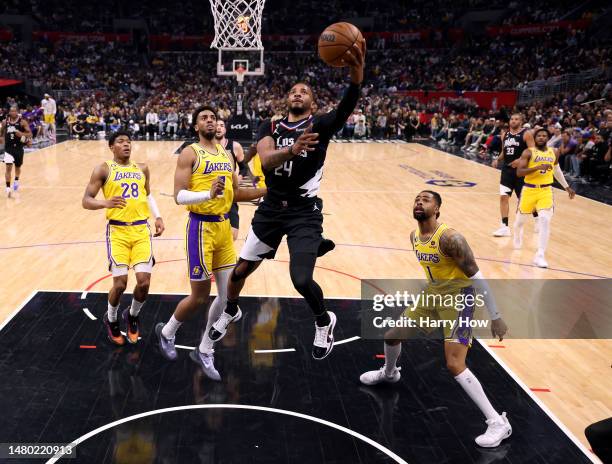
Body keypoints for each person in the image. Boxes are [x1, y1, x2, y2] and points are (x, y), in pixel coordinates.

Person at [208, 38, 366, 361]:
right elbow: (265, 161)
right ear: (287, 98)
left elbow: (348, 103)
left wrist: (356, 70)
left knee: (301, 279)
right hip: (270, 210)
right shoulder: (270, 124)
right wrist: (293, 149)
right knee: (238, 274)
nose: (297, 94)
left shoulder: (321, 125)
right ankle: (231, 311)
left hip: (303, 213)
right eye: (294, 91)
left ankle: (324, 321)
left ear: (312, 101)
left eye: (304, 91)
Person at [360, 190, 512, 448]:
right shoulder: (414, 236)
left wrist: (495, 316)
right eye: (416, 198)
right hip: (433, 295)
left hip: (459, 299)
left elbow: (478, 278)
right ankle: (390, 373)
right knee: (392, 335)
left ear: (438, 210)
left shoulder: (451, 239)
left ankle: (498, 422)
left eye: (426, 200)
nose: (419, 202)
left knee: (454, 364)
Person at [155, 106, 266, 380]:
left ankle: (204, 349)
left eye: (213, 118)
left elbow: (236, 193)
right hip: (200, 228)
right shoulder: (190, 153)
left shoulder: (227, 156)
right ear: (196, 126)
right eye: (204, 118)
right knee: (199, 296)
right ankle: (167, 332)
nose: (210, 121)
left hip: (223, 226)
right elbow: (178, 196)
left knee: (228, 296)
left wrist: (267, 192)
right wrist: (207, 193)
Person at [82, 130, 165, 345]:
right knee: (119, 285)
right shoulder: (103, 169)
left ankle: (133, 315)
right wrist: (104, 203)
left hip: (141, 230)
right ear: (111, 147)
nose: (126, 145)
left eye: (129, 142)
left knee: (144, 283)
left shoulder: (142, 168)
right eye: (121, 141)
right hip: (117, 231)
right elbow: (86, 200)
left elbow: (147, 195)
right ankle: (111, 319)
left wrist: (158, 216)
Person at [513, 128, 575, 268]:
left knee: (544, 220)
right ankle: (517, 236)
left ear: (548, 138)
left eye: (544, 136)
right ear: (535, 138)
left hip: (546, 190)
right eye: (539, 135)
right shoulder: (528, 152)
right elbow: (519, 172)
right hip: (529, 190)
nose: (541, 137)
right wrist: (537, 167)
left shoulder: (554, 152)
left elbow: (557, 171)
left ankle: (540, 255)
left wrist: (567, 187)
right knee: (519, 222)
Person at [492, 113, 536, 237]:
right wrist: (497, 159)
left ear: (521, 122)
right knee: (503, 197)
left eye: (516, 119)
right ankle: (504, 227)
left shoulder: (526, 134)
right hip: (507, 171)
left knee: (524, 200)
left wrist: (521, 160)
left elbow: (533, 152)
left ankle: (537, 219)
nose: (513, 121)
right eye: (512, 119)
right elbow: (504, 152)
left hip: (521, 172)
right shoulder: (504, 135)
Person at [215, 119, 245, 240]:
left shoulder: (235, 146)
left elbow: (243, 169)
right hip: (212, 195)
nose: (218, 128)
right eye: (216, 125)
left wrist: (238, 179)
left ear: (225, 129)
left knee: (233, 235)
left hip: (229, 193)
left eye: (221, 125)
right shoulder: (205, 147)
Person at [0, 106, 32, 197]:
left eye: (14, 111)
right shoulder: (5, 122)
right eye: (11, 111)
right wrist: (1, 137)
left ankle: (16, 180)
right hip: (9, 148)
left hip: (18, 148)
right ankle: (8, 188)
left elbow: (30, 133)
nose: (13, 112)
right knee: (8, 167)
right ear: (9, 112)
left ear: (17, 112)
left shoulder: (22, 122)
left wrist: (21, 134)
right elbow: (1, 132)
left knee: (17, 167)